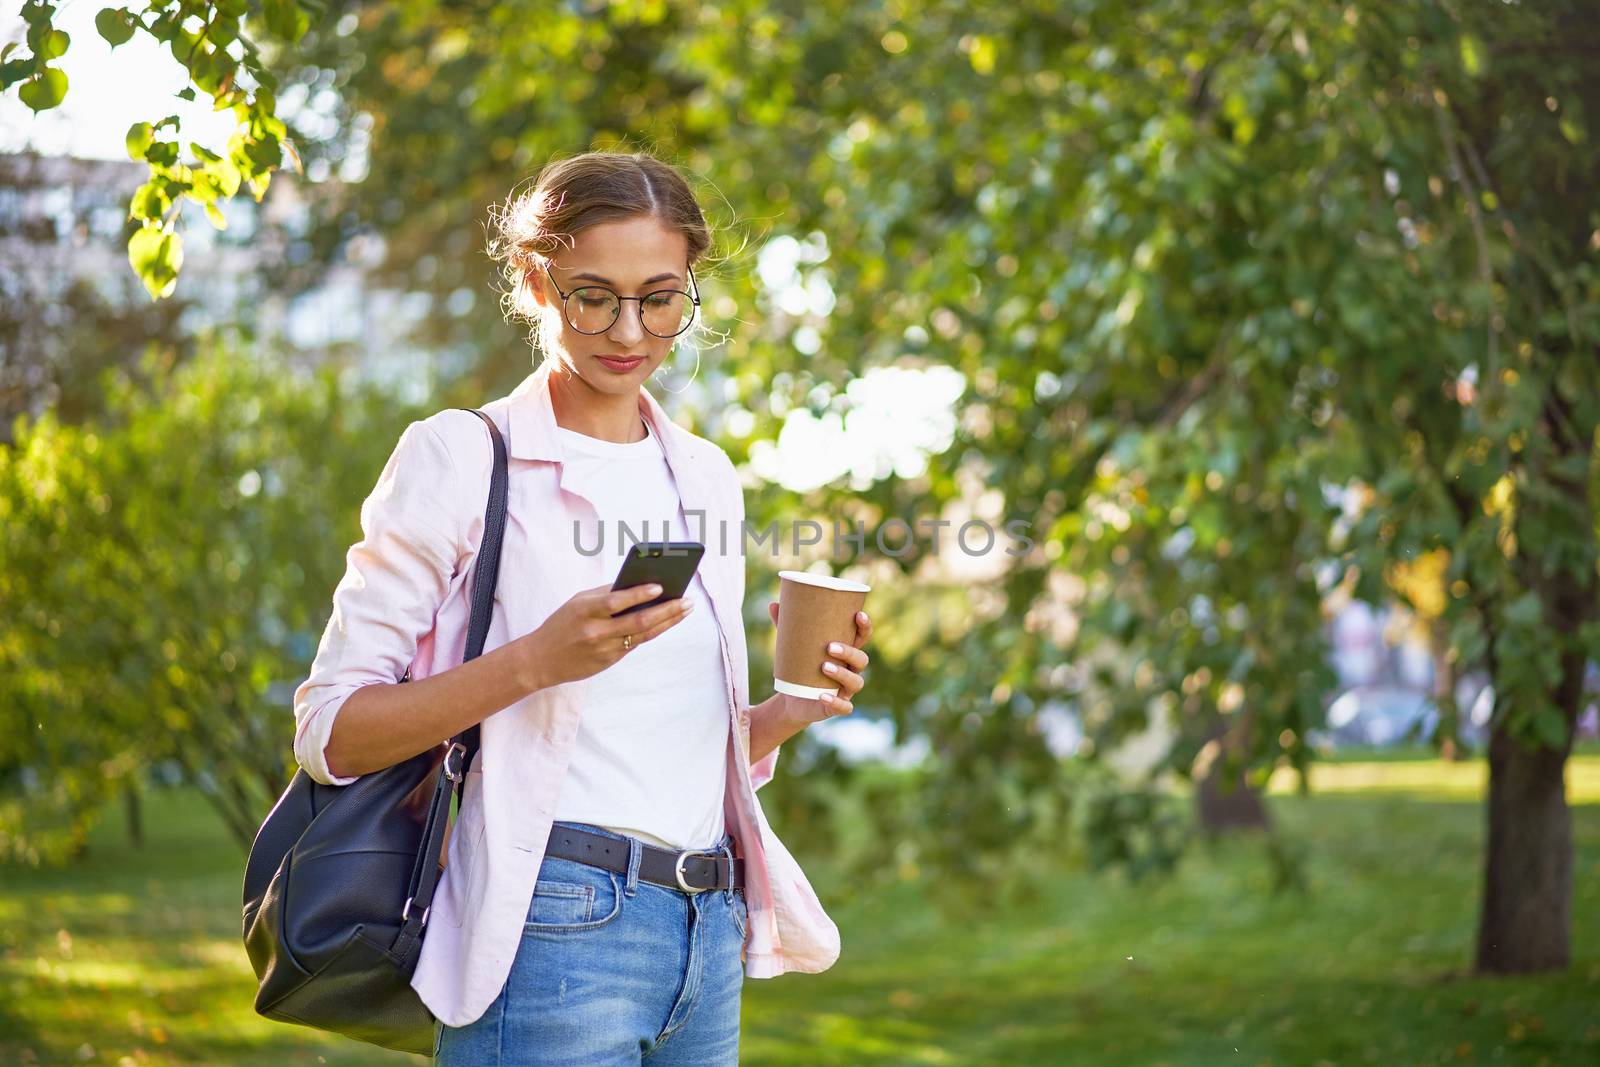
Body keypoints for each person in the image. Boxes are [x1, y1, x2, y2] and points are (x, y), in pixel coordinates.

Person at [291, 150, 873, 1065]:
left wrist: (786, 713)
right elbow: (331, 731)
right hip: (553, 927)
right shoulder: (460, 457)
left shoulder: (706, 480)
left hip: (704, 931)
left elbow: (655, 746)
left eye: (662, 296)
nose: (629, 329)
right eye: (594, 294)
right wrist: (533, 660)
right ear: (536, 280)